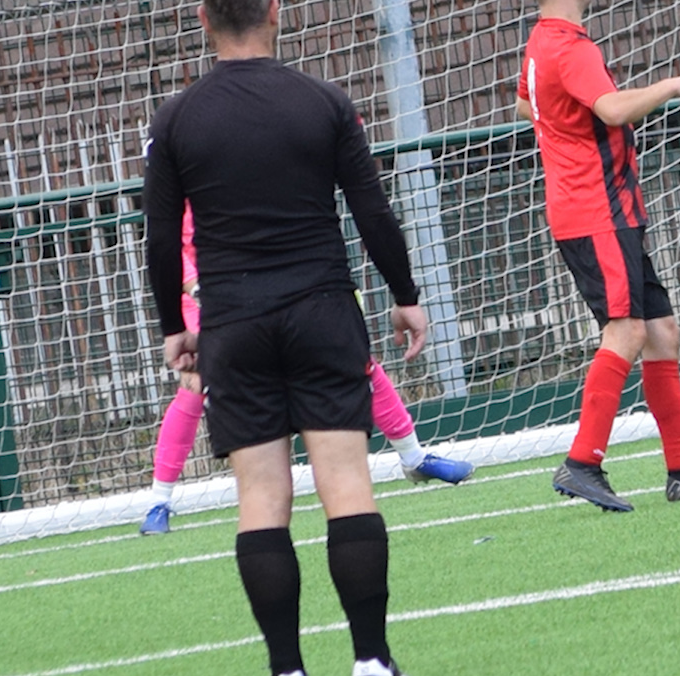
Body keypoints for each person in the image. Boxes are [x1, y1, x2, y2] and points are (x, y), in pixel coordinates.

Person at [144, 0, 425, 676]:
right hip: (322, 311)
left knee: (261, 500)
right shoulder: (325, 102)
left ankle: (286, 672)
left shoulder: (176, 119)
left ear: (202, 21)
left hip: (232, 323)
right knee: (346, 484)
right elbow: (372, 212)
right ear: (277, 10)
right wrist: (405, 294)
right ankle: (370, 659)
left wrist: (176, 325)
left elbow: (161, 238)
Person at [515, 0, 680, 512]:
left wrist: (564, 128)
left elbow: (526, 104)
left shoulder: (543, 43)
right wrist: (671, 85)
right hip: (595, 211)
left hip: (604, 209)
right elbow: (611, 109)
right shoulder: (569, 46)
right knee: (627, 331)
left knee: (662, 331)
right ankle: (581, 462)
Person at [138, 207, 469, 536]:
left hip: (267, 284)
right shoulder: (184, 166)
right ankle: (160, 501)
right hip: (204, 294)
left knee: (356, 363)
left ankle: (414, 458)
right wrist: (198, 290)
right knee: (198, 382)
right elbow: (167, 242)